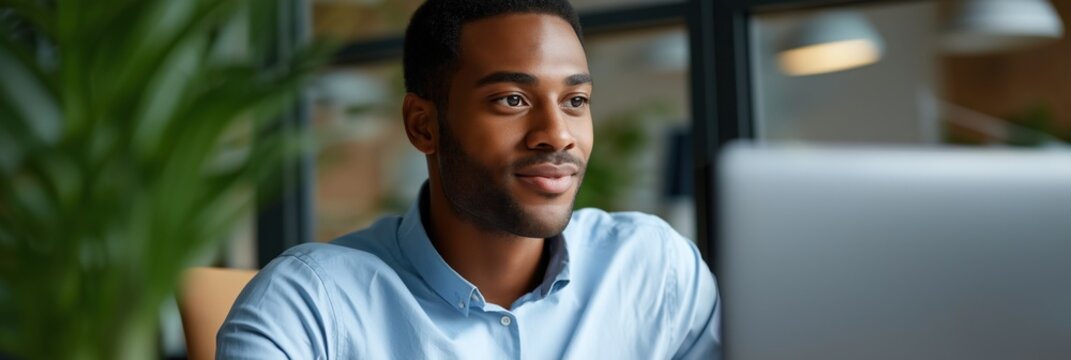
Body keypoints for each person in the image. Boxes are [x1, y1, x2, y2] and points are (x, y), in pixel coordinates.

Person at [216, 0, 720, 358]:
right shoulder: (311, 306)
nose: (557, 135)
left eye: (575, 102)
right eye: (512, 100)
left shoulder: (655, 269)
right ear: (423, 125)